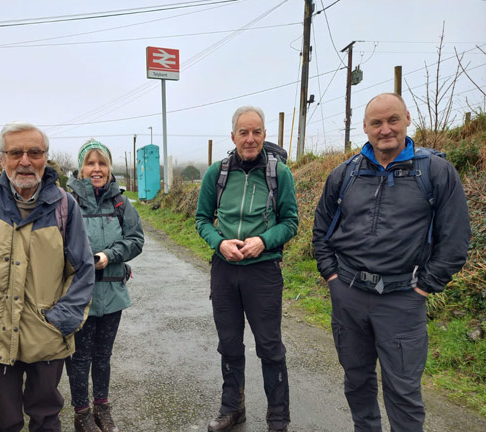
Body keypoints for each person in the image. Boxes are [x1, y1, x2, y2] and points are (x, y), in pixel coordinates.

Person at [312, 93, 471, 432]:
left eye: (392, 120)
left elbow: (455, 241)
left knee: (403, 393)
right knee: (357, 383)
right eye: (377, 123)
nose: (385, 129)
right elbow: (322, 231)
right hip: (349, 296)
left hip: (402, 300)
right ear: (365, 128)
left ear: (407, 119)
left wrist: (424, 288)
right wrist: (332, 278)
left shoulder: (437, 172)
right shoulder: (345, 174)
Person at [0, 122, 95, 432]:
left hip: (47, 337)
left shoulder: (65, 206)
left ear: (45, 158)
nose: (25, 161)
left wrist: (59, 322)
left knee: (46, 418)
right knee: (3, 420)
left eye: (34, 152)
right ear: (2, 159)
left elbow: (83, 270)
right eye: (15, 153)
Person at [196, 106, 298, 432]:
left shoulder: (279, 173)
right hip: (224, 270)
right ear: (233, 136)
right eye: (244, 132)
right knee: (229, 343)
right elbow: (202, 220)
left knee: (269, 346)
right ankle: (232, 408)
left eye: (256, 132)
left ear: (265, 135)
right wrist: (219, 242)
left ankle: (278, 418)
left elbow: (290, 222)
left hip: (263, 272)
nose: (250, 139)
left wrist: (263, 241)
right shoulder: (217, 173)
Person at [65, 140, 144, 432]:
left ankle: (102, 409)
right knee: (80, 357)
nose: (96, 169)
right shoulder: (67, 202)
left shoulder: (121, 202)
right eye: (90, 163)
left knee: (103, 356)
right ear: (81, 167)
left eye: (102, 164)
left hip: (112, 293)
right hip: (78, 296)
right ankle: (82, 413)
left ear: (109, 168)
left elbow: (136, 239)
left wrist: (109, 256)